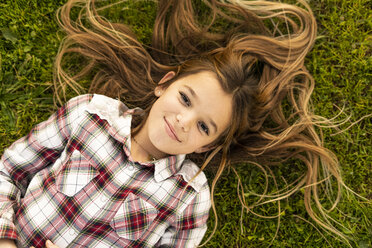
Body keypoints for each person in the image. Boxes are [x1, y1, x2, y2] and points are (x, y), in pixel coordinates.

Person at [0, 0, 356, 247]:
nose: (183, 121)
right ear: (164, 84)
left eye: (204, 127)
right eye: (185, 99)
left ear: (207, 147)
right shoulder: (90, 115)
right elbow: (9, 171)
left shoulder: (188, 199)